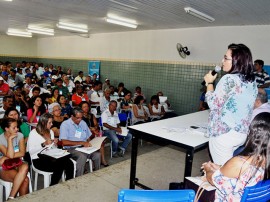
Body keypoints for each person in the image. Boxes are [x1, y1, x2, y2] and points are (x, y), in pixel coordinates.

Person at [204, 43, 257, 165]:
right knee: (229, 166)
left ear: (237, 61)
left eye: (226, 58)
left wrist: (209, 83)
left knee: (222, 173)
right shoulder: (251, 81)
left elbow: (213, 104)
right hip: (241, 133)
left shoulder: (229, 79)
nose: (222, 61)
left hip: (223, 134)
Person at [202, 112, 270, 201]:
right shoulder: (264, 161)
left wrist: (208, 169)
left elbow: (213, 180)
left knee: (194, 185)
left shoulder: (240, 162)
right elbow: (243, 178)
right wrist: (220, 168)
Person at [27, 113, 74, 185]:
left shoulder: (50, 131)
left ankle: (69, 183)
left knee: (69, 163)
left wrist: (54, 144)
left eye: (52, 122)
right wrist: (43, 144)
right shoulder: (33, 133)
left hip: (50, 156)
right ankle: (52, 186)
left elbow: (52, 148)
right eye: (49, 123)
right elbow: (31, 151)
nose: (51, 124)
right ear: (43, 123)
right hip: (38, 159)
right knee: (59, 165)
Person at [59, 107, 101, 176]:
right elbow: (64, 142)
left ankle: (97, 174)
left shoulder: (83, 123)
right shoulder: (65, 125)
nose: (80, 119)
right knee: (82, 156)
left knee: (97, 155)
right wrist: (82, 143)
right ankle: (79, 178)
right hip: (70, 148)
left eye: (81, 117)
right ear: (72, 116)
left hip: (84, 147)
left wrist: (90, 144)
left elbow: (88, 137)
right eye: (78, 118)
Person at [0, 118, 29, 200]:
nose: (17, 129)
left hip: (16, 162)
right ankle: (14, 198)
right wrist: (9, 140)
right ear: (6, 129)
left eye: (17, 127)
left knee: (25, 166)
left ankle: (11, 197)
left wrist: (5, 157)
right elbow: (10, 155)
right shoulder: (0, 139)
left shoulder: (20, 135)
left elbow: (22, 153)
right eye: (14, 128)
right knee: (25, 180)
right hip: (3, 167)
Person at [80, 101, 108, 167]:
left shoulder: (91, 115)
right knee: (91, 142)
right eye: (84, 107)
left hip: (93, 133)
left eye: (87, 106)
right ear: (81, 108)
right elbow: (81, 128)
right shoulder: (80, 117)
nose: (86, 108)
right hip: (85, 135)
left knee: (101, 142)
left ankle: (102, 160)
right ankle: (93, 160)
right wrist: (90, 129)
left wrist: (94, 128)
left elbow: (96, 124)